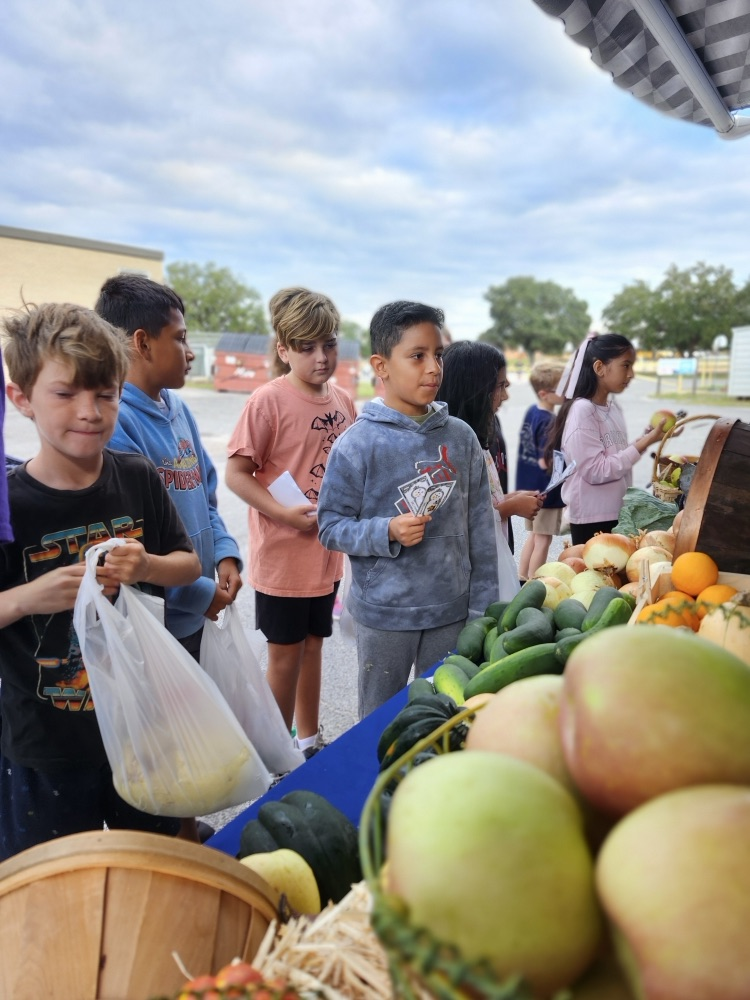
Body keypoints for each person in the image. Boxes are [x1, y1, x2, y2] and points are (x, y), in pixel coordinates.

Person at [0, 302, 201, 861]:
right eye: (65, 394)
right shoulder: (9, 505)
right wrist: (25, 597)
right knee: (58, 887)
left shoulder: (135, 476)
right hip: (46, 747)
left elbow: (187, 563)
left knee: (151, 866)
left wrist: (149, 566)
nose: (89, 411)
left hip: (143, 728)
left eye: (105, 394)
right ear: (22, 399)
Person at [317, 302, 499, 719]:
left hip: (452, 613)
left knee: (447, 718)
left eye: (438, 355)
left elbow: (482, 532)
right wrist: (386, 531)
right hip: (384, 618)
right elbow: (330, 527)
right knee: (379, 725)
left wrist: (481, 612)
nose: (433, 368)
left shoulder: (462, 438)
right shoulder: (358, 443)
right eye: (417, 356)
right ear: (381, 366)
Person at [225, 287, 356, 758]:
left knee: (315, 645)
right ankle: (276, 753)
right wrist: (281, 512)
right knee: (284, 655)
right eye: (307, 347)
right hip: (282, 560)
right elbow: (238, 475)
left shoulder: (343, 400)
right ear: (283, 349)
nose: (321, 357)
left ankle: (308, 740)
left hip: (326, 556)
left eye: (329, 344)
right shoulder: (267, 401)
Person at [95, 275, 243, 660]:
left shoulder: (180, 411)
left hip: (198, 610)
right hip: (156, 626)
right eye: (179, 338)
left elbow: (206, 497)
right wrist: (198, 594)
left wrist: (225, 551)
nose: (190, 352)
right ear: (142, 343)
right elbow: (133, 543)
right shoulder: (118, 424)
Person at [436, 340, 540, 601]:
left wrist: (510, 499)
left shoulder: (481, 434)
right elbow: (460, 519)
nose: (505, 396)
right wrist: (510, 508)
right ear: (475, 390)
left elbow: (485, 498)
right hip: (471, 576)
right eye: (500, 386)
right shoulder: (452, 449)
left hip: (494, 555)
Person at [545, 333, 669, 546]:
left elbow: (617, 458)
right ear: (600, 368)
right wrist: (644, 443)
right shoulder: (583, 410)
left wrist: (648, 438)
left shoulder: (612, 408)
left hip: (616, 512)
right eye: (626, 366)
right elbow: (596, 471)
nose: (631, 374)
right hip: (592, 518)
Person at [516, 362, 566, 579]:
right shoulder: (550, 422)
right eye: (562, 388)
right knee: (544, 539)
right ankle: (535, 583)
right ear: (545, 394)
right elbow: (547, 462)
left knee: (534, 536)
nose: (567, 392)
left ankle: (522, 578)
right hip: (547, 490)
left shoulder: (532, 411)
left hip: (529, 487)